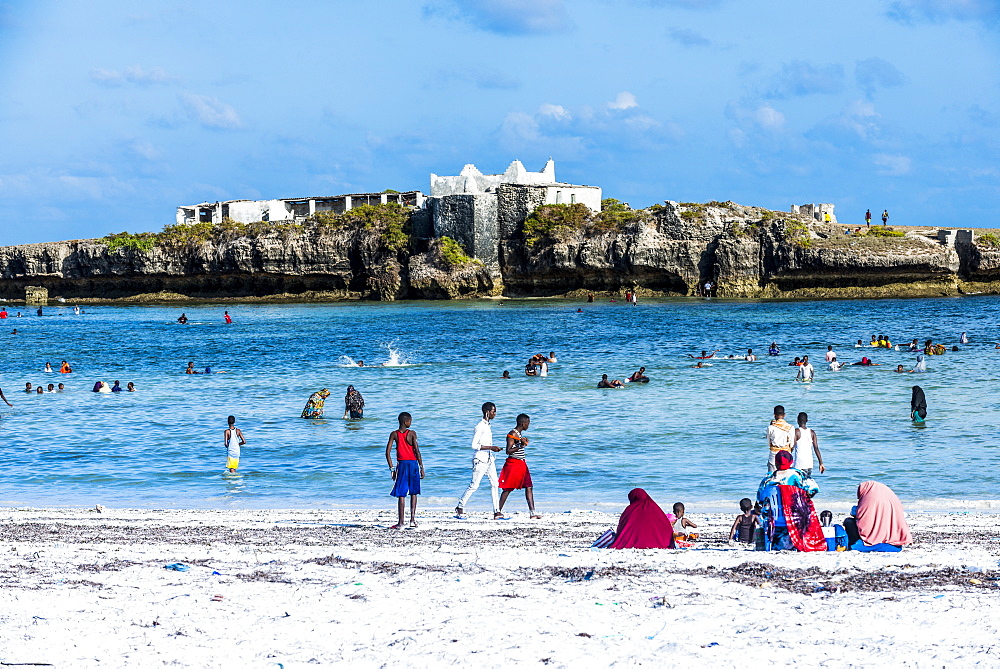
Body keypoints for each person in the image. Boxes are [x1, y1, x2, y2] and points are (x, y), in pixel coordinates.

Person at [755, 451, 825, 551]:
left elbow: (760, 499)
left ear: (776, 463)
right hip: (796, 517)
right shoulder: (798, 475)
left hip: (774, 518)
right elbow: (813, 490)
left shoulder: (768, 479)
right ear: (791, 462)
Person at [455, 402, 503, 520]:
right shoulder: (480, 426)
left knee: (495, 484)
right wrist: (491, 447)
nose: (495, 414)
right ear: (487, 412)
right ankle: (460, 506)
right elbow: (474, 445)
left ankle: (497, 511)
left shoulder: (487, 426)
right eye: (493, 411)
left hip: (489, 459)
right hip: (480, 460)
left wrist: (492, 450)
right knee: (474, 485)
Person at [843, 481, 912, 552]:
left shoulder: (869, 498)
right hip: (893, 534)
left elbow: (861, 516)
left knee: (849, 522)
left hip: (873, 534)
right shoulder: (890, 496)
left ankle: (855, 542)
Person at [385, 412, 424, 529]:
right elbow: (417, 451)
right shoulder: (412, 434)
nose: (410, 423)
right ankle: (412, 520)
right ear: (406, 421)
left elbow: (387, 453)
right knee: (413, 492)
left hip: (401, 465)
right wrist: (421, 467)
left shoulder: (394, 434)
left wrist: (392, 469)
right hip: (413, 464)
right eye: (410, 421)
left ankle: (401, 522)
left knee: (401, 494)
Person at [497, 413, 540, 518]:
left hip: (521, 463)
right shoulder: (512, 434)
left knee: (529, 486)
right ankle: (497, 511)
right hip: (514, 464)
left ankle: (532, 513)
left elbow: (517, 446)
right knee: (507, 489)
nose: (528, 425)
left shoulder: (519, 435)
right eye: (527, 423)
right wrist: (521, 445)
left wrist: (521, 444)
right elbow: (508, 451)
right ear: (522, 423)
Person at [608, 489, 676, 549]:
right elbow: (666, 527)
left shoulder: (629, 511)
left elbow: (622, 529)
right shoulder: (655, 509)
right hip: (663, 542)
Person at [792, 412, 825, 478]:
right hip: (809, 463)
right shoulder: (812, 432)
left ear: (797, 421)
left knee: (799, 484)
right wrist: (821, 463)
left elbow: (792, 447)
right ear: (807, 421)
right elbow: (816, 448)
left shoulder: (796, 431)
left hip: (799, 464)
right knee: (806, 482)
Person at [766, 405, 794, 472]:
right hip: (786, 457)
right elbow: (792, 445)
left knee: (772, 478)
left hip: (773, 455)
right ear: (784, 415)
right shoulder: (790, 427)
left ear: (774, 415)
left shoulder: (770, 428)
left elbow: (768, 444)